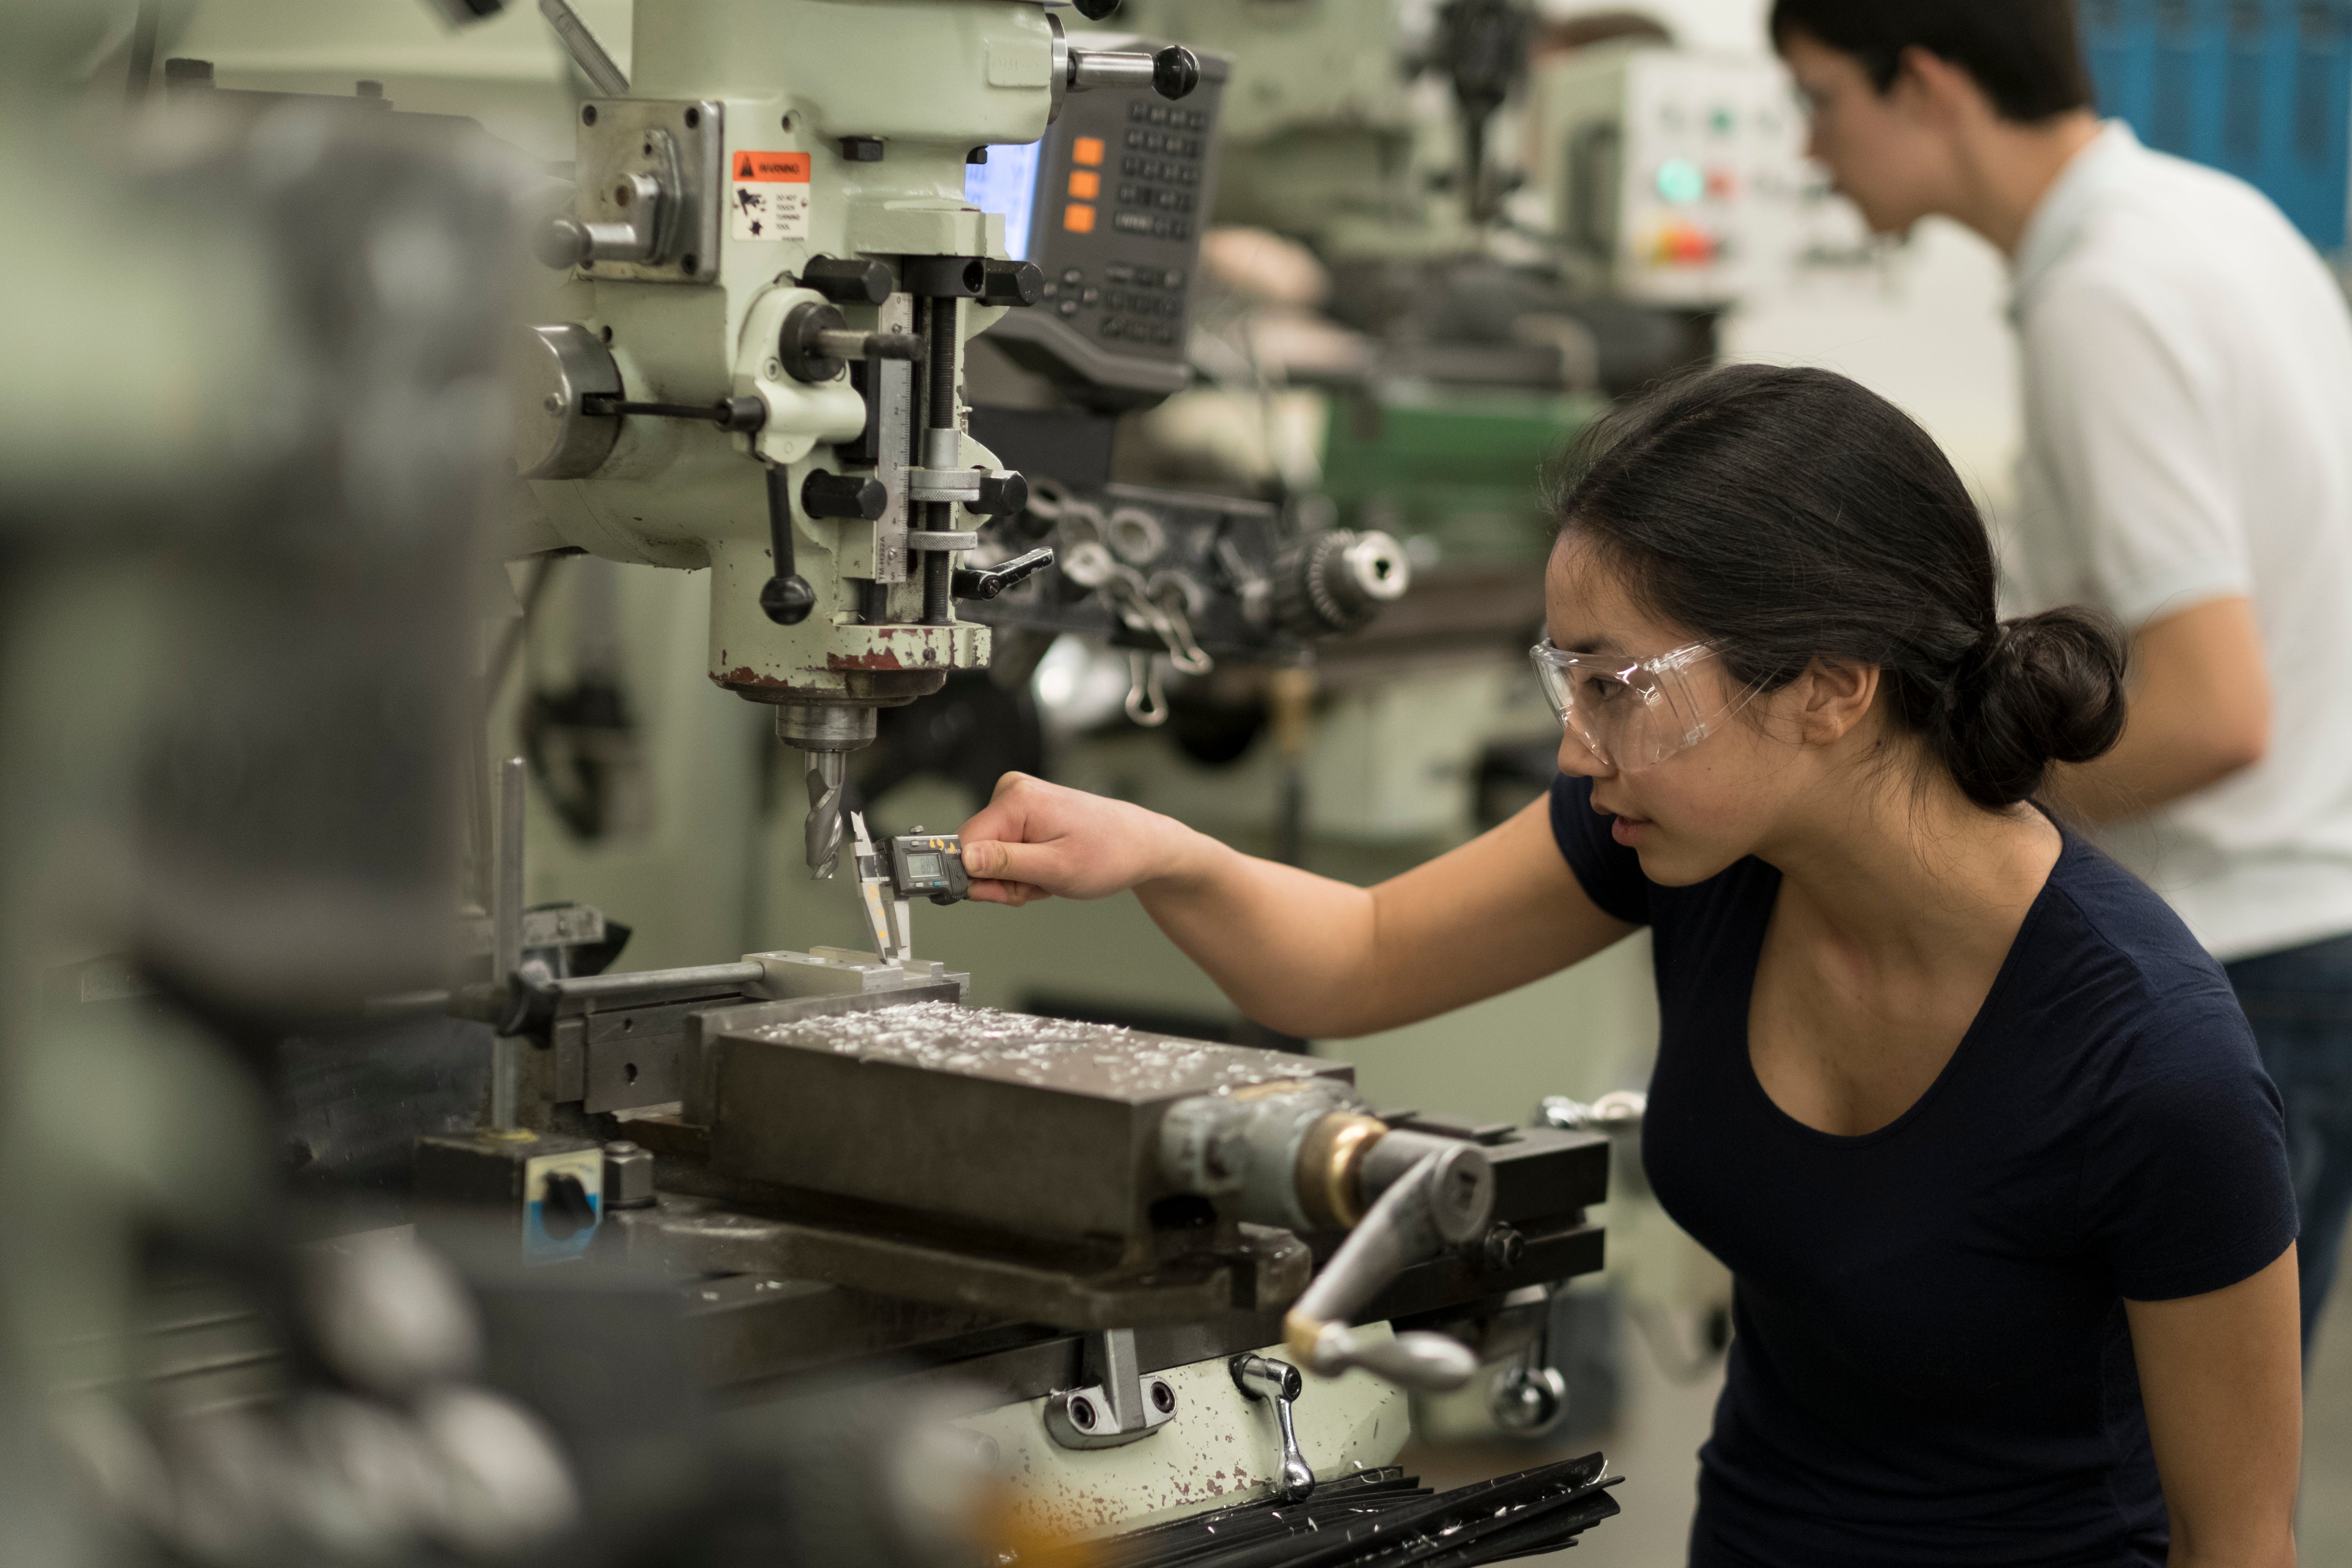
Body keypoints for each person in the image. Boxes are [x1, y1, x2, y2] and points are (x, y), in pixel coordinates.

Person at [956, 365, 2299, 1565]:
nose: (1576, 747)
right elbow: (1354, 961)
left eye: (1617, 685)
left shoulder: (2154, 1070)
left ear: (1832, 687)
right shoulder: (1701, 847)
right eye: (1566, 681)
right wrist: (1160, 854)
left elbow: (2236, 1539)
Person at [1771, 0, 2352, 1361]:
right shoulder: (2216, 219)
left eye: (1819, 101)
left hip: (2240, 947)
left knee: (2130, 1477)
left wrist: (1917, 820)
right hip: (2313, 922)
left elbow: (2215, 713)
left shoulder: (2108, 295)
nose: (1809, 151)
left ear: (1922, 85)